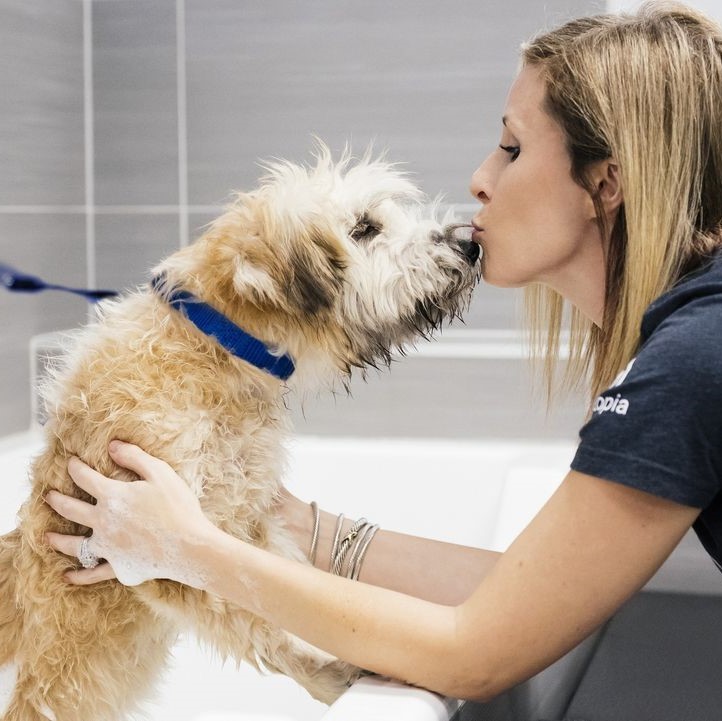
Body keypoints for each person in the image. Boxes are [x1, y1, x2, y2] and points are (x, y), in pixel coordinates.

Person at [45, 1, 722, 702]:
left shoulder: (690, 361)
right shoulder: (694, 332)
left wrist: (190, 550)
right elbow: (536, 593)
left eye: (514, 148)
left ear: (605, 184)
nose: (480, 179)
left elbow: (474, 654)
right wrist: (302, 526)